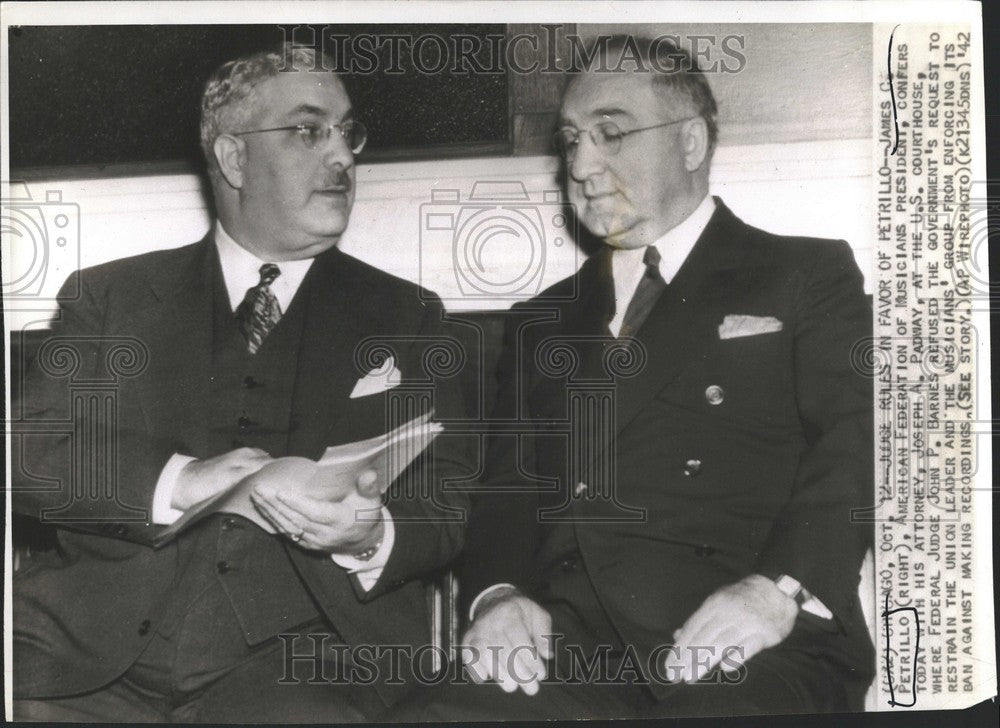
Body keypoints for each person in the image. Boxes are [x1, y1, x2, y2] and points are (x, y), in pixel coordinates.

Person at [397, 35, 874, 720]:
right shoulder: (544, 321)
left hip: (756, 643)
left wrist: (778, 589)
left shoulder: (804, 276)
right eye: (571, 141)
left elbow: (857, 444)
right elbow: (506, 494)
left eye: (610, 134)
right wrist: (497, 595)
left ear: (690, 142)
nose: (583, 165)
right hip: (573, 658)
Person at [12, 44, 470, 722]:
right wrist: (183, 479)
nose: (343, 156)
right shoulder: (112, 298)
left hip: (304, 665)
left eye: (349, 133)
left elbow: (452, 496)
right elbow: (26, 449)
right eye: (309, 131)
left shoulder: (409, 316)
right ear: (232, 158)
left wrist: (368, 537)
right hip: (83, 660)